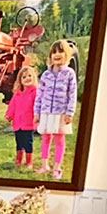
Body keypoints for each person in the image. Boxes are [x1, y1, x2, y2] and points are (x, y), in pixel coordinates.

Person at [34, 40, 78, 179]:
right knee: (46, 137)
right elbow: (39, 95)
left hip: (61, 113)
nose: (57, 55)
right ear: (50, 56)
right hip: (46, 112)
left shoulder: (69, 74)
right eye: (54, 52)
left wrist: (70, 112)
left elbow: (72, 94)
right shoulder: (46, 75)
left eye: (60, 52)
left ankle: (57, 167)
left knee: (59, 139)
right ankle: (44, 164)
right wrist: (37, 112)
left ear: (67, 55)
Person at [3, 66, 39, 168]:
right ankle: (18, 160)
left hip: (29, 123)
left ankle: (29, 162)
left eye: (29, 76)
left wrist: (38, 116)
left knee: (28, 142)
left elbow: (37, 106)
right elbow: (12, 106)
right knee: (19, 142)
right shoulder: (17, 94)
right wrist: (9, 115)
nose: (27, 78)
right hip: (18, 123)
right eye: (24, 77)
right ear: (20, 80)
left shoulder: (35, 92)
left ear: (33, 78)